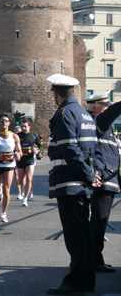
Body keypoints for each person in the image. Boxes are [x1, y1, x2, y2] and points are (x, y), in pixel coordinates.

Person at [46, 74, 102, 295]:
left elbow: (70, 150)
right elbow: (93, 149)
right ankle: (87, 279)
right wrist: (93, 174)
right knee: (84, 232)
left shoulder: (64, 114)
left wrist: (88, 175)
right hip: (83, 180)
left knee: (75, 235)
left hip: (70, 180)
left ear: (56, 94)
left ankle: (76, 281)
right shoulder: (84, 114)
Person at [85, 91, 121, 274]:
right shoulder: (96, 122)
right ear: (95, 108)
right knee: (99, 221)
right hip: (105, 179)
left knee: (100, 221)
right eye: (104, 105)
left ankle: (93, 259)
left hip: (110, 177)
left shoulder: (104, 127)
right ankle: (94, 260)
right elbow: (110, 113)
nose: (107, 107)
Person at [0, 113, 21, 222]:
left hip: (9, 165)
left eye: (6, 121)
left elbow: (19, 151)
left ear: (9, 123)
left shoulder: (14, 136)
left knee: (7, 190)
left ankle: (3, 213)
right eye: (2, 121)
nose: (4, 123)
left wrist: (18, 155)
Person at [16, 120, 41, 206]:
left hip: (30, 160)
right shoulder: (18, 136)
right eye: (22, 126)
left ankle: (25, 198)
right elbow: (13, 147)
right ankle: (24, 190)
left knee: (29, 178)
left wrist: (38, 150)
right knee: (21, 180)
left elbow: (40, 146)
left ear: (29, 126)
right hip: (20, 160)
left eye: (25, 126)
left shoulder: (34, 136)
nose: (23, 128)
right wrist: (16, 152)